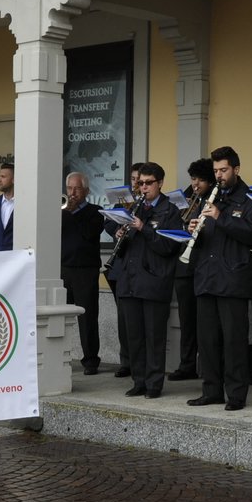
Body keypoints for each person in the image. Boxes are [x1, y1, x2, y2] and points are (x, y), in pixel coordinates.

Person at [186, 146, 252, 411]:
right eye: (216, 171)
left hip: (233, 279)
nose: (219, 175)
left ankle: (236, 394)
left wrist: (220, 218)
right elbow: (207, 238)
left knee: (233, 341)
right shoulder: (210, 198)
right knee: (207, 341)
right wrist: (194, 230)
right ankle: (211, 390)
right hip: (207, 277)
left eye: (223, 170)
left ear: (236, 169)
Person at [111, 162, 182, 397]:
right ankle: (139, 380)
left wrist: (144, 229)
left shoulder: (169, 211)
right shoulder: (134, 209)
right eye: (140, 183)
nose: (143, 188)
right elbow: (127, 249)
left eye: (148, 183)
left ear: (160, 183)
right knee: (135, 337)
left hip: (154, 282)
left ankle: (153, 384)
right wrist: (120, 235)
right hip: (131, 282)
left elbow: (169, 247)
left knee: (154, 338)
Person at [169, 159, 214, 382]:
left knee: (206, 323)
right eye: (193, 179)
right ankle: (187, 364)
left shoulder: (216, 199)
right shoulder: (188, 196)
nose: (195, 184)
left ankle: (207, 366)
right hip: (184, 267)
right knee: (187, 321)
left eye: (200, 180)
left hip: (205, 266)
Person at [60, 172, 105, 375]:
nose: (72, 193)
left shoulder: (96, 212)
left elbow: (89, 234)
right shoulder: (61, 211)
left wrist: (72, 212)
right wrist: (66, 212)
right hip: (63, 268)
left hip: (85, 271)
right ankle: (60, 357)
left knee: (87, 317)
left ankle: (90, 360)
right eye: (69, 188)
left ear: (86, 190)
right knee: (60, 317)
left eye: (76, 188)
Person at [105, 162, 146, 378]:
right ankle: (126, 360)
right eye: (133, 179)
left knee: (139, 320)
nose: (136, 184)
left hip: (140, 266)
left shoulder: (148, 202)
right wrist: (118, 230)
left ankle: (140, 363)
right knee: (123, 317)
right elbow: (109, 223)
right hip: (121, 266)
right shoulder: (125, 202)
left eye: (139, 180)